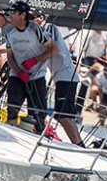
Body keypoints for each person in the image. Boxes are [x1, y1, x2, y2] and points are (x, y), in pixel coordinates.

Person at [33, 10, 84, 145]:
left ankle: (79, 146)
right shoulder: (39, 32)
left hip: (66, 76)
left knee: (63, 115)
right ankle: (79, 144)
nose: (30, 20)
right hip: (61, 77)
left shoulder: (50, 28)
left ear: (41, 18)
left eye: (33, 18)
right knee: (62, 115)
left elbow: (51, 49)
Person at [1, 1, 52, 135]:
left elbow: (52, 49)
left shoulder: (35, 29)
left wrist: (34, 61)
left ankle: (38, 133)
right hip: (17, 74)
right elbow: (9, 55)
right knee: (12, 106)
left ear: (22, 15)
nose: (10, 16)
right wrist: (18, 71)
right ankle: (9, 129)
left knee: (37, 114)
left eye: (13, 13)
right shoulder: (8, 30)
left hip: (36, 75)